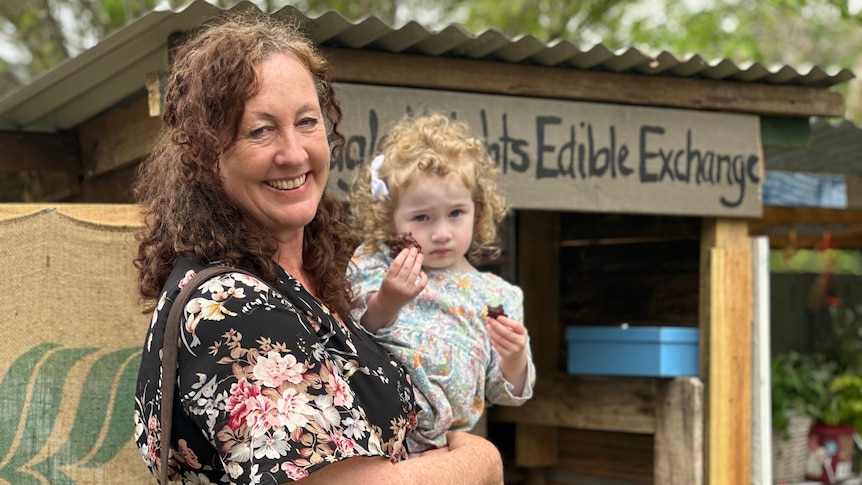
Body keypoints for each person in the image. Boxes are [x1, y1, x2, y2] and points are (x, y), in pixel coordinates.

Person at [132, 10, 504, 485]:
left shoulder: (312, 281)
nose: (293, 152)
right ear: (205, 157)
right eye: (260, 130)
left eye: (306, 122)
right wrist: (480, 460)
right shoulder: (229, 309)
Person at [346, 113, 536, 454]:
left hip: (446, 449)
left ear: (478, 210)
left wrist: (515, 357)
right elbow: (351, 330)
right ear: (389, 220)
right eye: (422, 218)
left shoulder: (497, 294)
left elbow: (502, 393)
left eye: (456, 213)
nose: (442, 233)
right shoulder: (376, 263)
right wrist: (387, 301)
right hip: (375, 433)